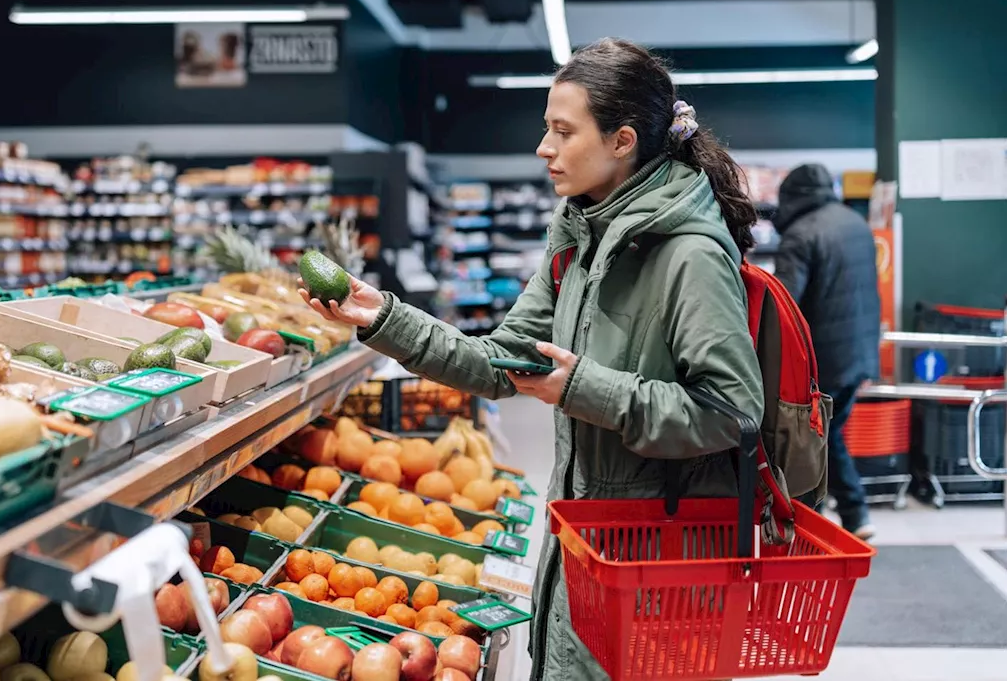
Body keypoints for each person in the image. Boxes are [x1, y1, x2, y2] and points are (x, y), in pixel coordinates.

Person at [300, 38, 763, 681]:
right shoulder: (577, 233)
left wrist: (586, 388)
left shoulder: (690, 255)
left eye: (561, 130)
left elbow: (734, 414)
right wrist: (382, 317)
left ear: (622, 140)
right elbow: (497, 362)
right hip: (579, 543)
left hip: (654, 567)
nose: (543, 148)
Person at [773, 164, 881, 540]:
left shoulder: (801, 235)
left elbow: (784, 305)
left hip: (824, 358)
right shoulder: (854, 222)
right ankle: (847, 515)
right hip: (860, 349)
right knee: (828, 436)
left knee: (817, 439)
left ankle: (834, 517)